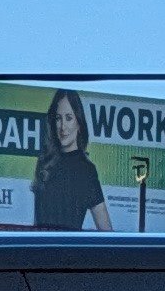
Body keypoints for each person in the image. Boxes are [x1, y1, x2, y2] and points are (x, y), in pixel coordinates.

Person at [30, 90, 111, 231]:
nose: (62, 127)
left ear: (79, 123)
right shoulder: (44, 161)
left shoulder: (87, 170)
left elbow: (106, 230)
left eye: (68, 118)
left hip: (68, 250)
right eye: (58, 118)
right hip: (40, 249)